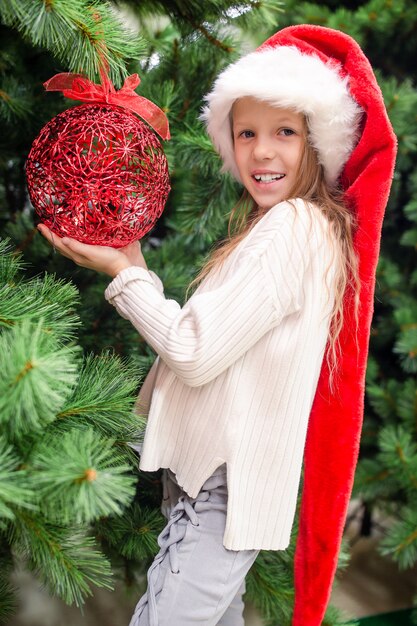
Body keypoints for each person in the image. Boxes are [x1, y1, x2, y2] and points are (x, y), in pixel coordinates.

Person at [37, 24, 396, 626]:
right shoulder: (298, 229)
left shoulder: (293, 230)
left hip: (222, 493)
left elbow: (194, 350)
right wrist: (133, 263)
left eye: (285, 132)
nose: (262, 152)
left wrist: (124, 277)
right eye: (247, 132)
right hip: (214, 487)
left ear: (318, 142)